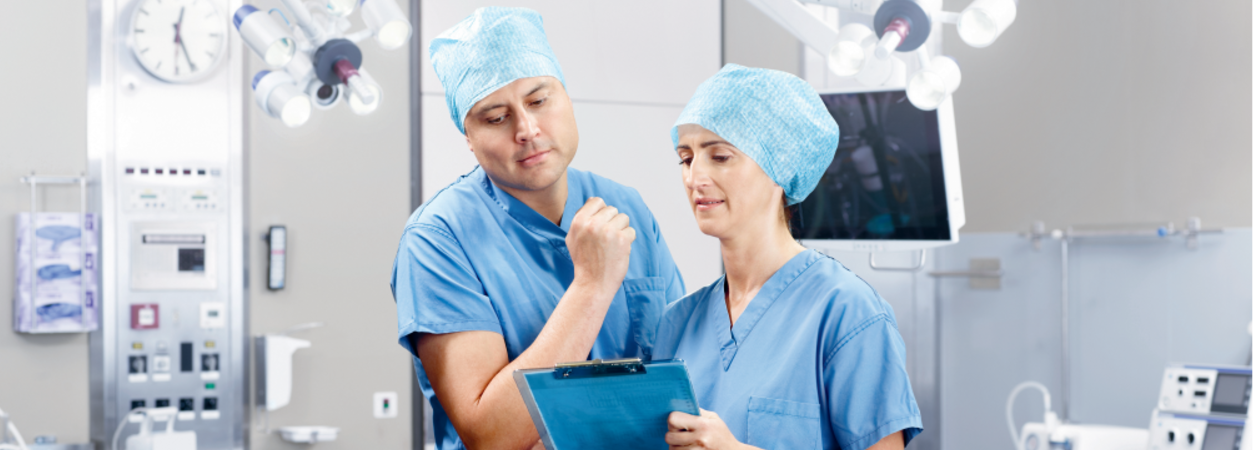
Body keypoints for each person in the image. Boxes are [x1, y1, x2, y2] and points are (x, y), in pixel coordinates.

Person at [391, 7, 685, 450]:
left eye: (539, 100)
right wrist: (590, 287)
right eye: (495, 117)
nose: (527, 129)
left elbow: (682, 374)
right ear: (468, 138)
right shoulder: (439, 239)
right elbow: (492, 435)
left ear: (566, 97)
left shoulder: (626, 207)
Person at [652, 64, 922, 450]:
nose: (695, 177)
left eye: (720, 156)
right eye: (686, 158)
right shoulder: (677, 323)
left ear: (780, 164)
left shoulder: (847, 312)